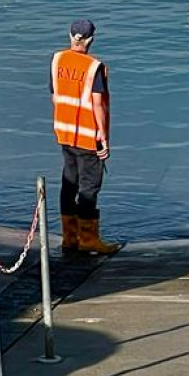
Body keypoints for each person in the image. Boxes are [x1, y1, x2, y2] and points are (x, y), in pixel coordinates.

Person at [51, 18, 121, 256]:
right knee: (89, 187)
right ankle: (89, 238)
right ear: (90, 40)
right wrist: (102, 133)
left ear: (70, 35)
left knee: (69, 183)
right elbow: (97, 102)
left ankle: (69, 237)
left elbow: (55, 96)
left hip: (64, 132)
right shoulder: (94, 67)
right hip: (87, 135)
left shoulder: (57, 60)